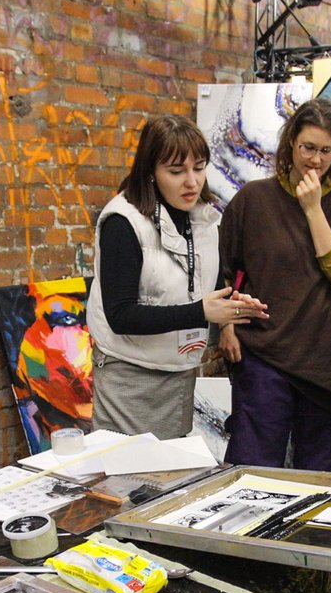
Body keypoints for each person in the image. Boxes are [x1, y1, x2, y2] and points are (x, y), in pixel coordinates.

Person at [89, 114, 267, 439]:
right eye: (176, 171)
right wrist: (202, 312)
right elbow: (120, 316)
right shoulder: (123, 222)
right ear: (150, 171)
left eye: (199, 168)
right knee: (128, 467)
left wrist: (231, 310)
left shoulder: (205, 218)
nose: (192, 182)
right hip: (128, 375)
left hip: (180, 371)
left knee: (174, 467)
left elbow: (208, 283)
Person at [218, 97, 331, 470]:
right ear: (291, 144)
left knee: (323, 479)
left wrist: (314, 209)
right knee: (252, 471)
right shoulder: (254, 199)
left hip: (324, 360)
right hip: (262, 352)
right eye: (308, 148)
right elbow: (225, 271)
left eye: (326, 151)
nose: (315, 160)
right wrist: (226, 326)